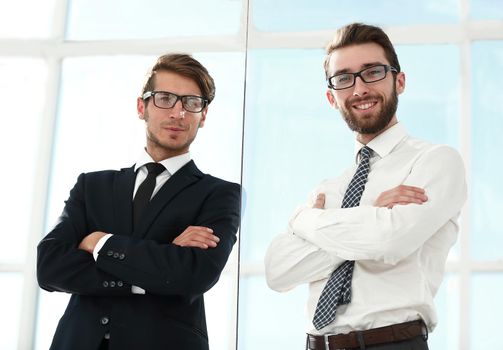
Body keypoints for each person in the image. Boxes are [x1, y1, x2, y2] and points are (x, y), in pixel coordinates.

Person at [264, 23, 467, 350]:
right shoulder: (328, 188)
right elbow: (278, 271)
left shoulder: (436, 162)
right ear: (332, 98)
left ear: (399, 81)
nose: (358, 89)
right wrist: (370, 216)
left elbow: (389, 241)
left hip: (392, 343)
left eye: (372, 72)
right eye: (344, 78)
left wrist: (306, 222)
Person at [37, 53, 241, 350]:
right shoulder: (92, 186)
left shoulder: (220, 194)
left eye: (191, 103)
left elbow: (193, 275)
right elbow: (50, 265)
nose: (178, 113)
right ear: (141, 106)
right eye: (165, 98)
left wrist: (101, 243)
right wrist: (155, 267)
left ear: (204, 115)